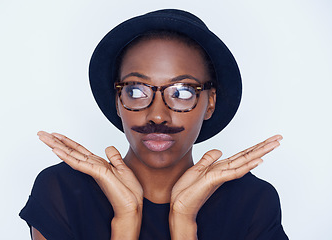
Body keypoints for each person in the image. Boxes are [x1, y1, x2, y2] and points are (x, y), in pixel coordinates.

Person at [20, 9, 288, 240]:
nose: (157, 115)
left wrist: (184, 222)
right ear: (117, 100)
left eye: (182, 92)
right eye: (136, 91)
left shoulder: (252, 202)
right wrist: (125, 220)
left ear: (210, 103)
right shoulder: (61, 191)